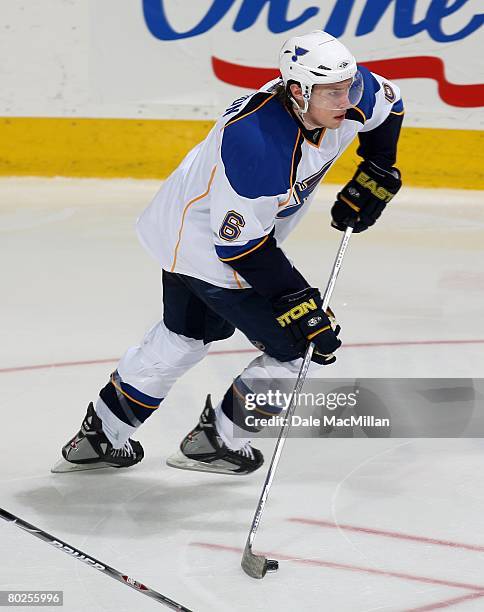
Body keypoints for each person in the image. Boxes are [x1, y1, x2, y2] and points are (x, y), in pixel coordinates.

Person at [52, 30, 403, 476]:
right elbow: (240, 247)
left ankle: (101, 435)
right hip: (213, 250)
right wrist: (298, 300)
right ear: (297, 91)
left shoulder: (348, 91)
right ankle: (217, 442)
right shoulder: (257, 143)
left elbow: (390, 104)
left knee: (184, 336)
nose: (346, 100)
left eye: (348, 88)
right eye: (333, 93)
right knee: (301, 352)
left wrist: (378, 164)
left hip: (186, 228)